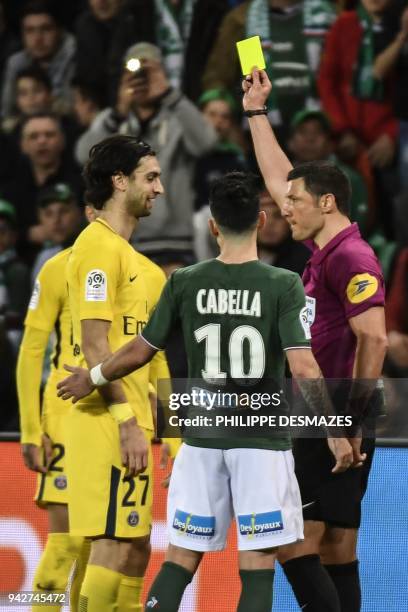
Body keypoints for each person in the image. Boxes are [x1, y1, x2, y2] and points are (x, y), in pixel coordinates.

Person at [57, 171, 355, 612]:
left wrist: (94, 376)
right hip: (260, 445)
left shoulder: (184, 281)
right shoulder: (282, 283)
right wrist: (332, 428)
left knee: (180, 557)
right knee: (256, 560)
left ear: (212, 226)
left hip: (200, 440)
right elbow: (303, 365)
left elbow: (140, 350)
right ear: (259, 219)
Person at [242, 69, 387, 612]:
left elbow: (373, 337)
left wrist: (345, 420)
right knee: (336, 546)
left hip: (326, 411)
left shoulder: (350, 256)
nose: (284, 208)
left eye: (296, 202)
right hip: (333, 413)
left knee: (294, 543)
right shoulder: (327, 250)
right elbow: (284, 179)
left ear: (326, 204)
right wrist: (257, 113)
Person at [62, 135, 172, 611]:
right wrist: (126, 420)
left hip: (129, 422)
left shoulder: (133, 259)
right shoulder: (98, 249)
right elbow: (93, 345)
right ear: (119, 180)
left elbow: (146, 351)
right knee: (109, 542)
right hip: (109, 423)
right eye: (151, 177)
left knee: (134, 545)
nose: (160, 188)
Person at [75, 42, 217, 268]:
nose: (141, 79)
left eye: (148, 72)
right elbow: (84, 155)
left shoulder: (179, 116)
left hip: (175, 243)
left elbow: (206, 143)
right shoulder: (112, 120)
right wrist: (118, 111)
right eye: (134, 73)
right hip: (125, 239)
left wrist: (169, 93)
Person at [1, 0, 76, 119]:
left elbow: (70, 110)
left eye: (46, 29)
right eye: (30, 31)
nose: (37, 39)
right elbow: (6, 113)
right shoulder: (16, 63)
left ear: (60, 31)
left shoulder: (75, 55)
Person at [31, 183, 85, 283]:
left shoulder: (93, 250)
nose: (56, 220)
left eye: (64, 211)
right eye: (49, 214)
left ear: (80, 214)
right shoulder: (44, 258)